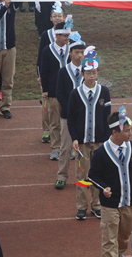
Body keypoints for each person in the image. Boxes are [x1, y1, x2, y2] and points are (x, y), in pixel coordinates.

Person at [88, 107, 132, 257]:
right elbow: (93, 176)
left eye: (131, 129)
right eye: (127, 130)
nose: (130, 133)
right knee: (109, 240)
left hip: (129, 203)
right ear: (115, 132)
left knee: (124, 237)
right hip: (110, 204)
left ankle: (119, 253)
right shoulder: (100, 153)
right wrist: (103, 188)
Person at [67, 46, 111, 221]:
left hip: (99, 142)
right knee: (81, 176)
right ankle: (81, 207)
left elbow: (107, 117)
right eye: (88, 72)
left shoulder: (104, 92)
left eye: (94, 72)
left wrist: (108, 141)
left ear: (97, 73)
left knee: (98, 175)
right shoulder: (75, 94)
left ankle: (97, 205)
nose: (91, 75)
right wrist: (75, 138)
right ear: (83, 74)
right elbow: (71, 118)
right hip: (82, 142)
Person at [54, 31, 84, 189]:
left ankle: (83, 176)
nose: (79, 55)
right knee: (65, 147)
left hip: (85, 117)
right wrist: (70, 109)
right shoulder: (63, 71)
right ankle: (62, 176)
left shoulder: (88, 71)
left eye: (82, 52)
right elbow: (60, 93)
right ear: (70, 53)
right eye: (76, 52)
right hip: (68, 116)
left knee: (84, 149)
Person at [40, 19, 72, 161]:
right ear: (57, 35)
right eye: (64, 36)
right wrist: (45, 89)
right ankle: (55, 148)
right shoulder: (47, 50)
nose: (67, 38)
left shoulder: (72, 50)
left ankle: (69, 148)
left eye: (68, 36)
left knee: (69, 122)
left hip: (70, 92)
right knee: (54, 122)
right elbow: (44, 71)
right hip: (53, 91)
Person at [37, 2, 65, 143]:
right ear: (50, 19)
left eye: (59, 16)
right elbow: (40, 58)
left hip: (64, 79)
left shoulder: (69, 36)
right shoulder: (46, 34)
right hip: (49, 76)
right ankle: (46, 131)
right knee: (47, 107)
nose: (57, 18)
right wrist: (40, 76)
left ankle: (62, 132)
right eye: (55, 16)